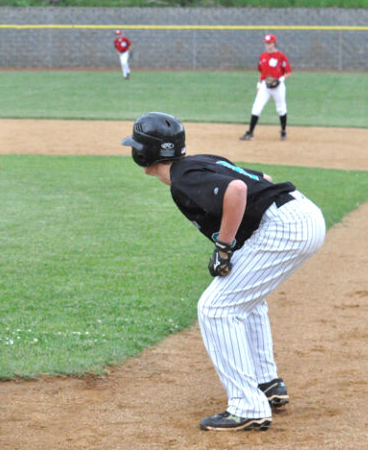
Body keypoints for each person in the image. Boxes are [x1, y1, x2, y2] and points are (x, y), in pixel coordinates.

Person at [122, 112, 325, 431]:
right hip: (298, 215)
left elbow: (236, 191)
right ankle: (267, 384)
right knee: (245, 299)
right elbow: (264, 179)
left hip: (286, 227)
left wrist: (225, 247)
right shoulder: (198, 163)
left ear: (146, 153)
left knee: (215, 308)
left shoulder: (183, 178)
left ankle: (247, 406)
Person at [241, 34, 292, 141]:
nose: (267, 45)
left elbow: (288, 72)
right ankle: (250, 132)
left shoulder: (281, 56)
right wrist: (258, 85)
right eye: (266, 43)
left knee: (281, 108)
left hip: (278, 87)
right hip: (265, 85)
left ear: (274, 43)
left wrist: (280, 80)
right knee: (256, 108)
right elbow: (262, 73)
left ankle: (283, 131)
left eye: (269, 43)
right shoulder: (263, 56)